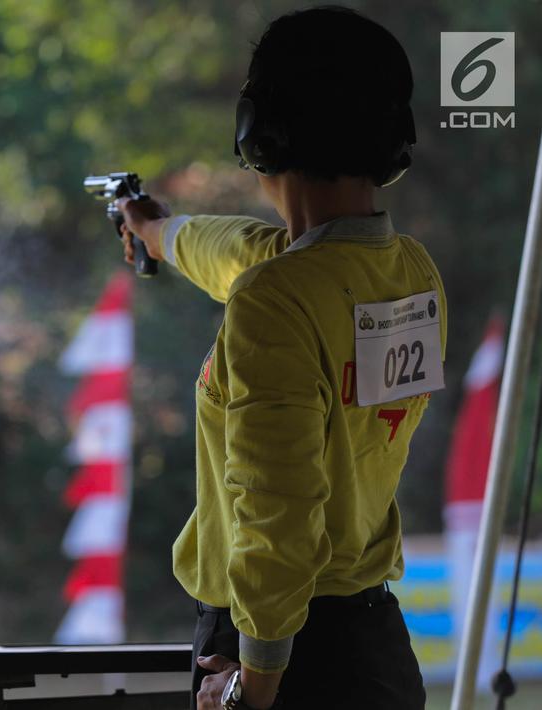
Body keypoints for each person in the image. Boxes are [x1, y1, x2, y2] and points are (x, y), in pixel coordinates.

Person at [116, 7, 444, 710]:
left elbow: (278, 511)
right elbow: (244, 251)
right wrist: (158, 232)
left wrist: (251, 685)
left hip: (281, 657)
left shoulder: (274, 301)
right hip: (374, 652)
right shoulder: (408, 272)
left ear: (257, 130)